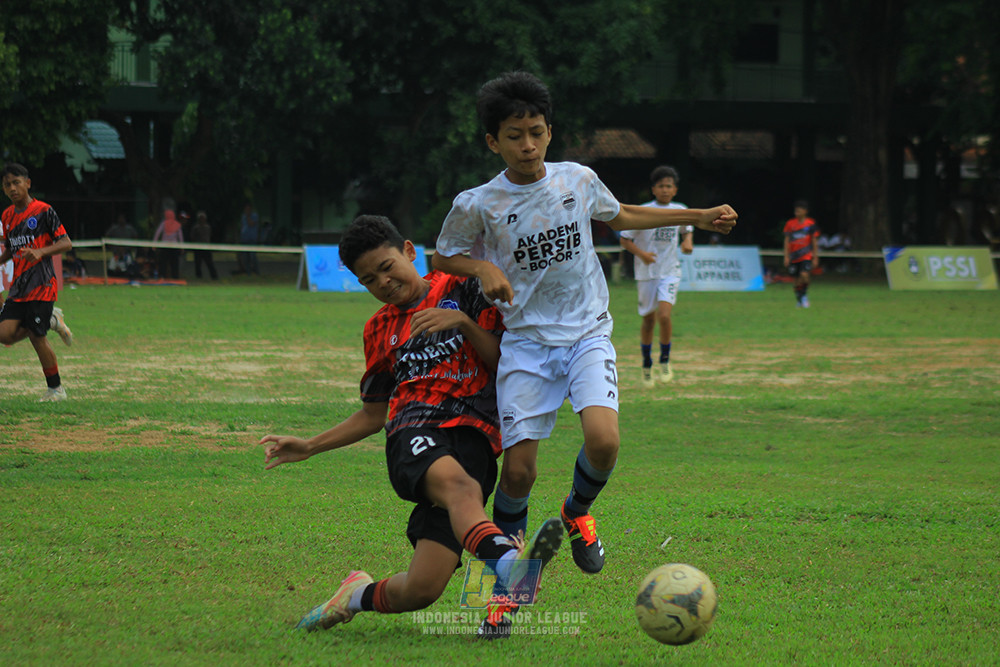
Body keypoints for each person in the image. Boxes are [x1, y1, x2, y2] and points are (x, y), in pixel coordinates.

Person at [432, 71, 736, 590]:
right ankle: (503, 592)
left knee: (604, 441)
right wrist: (483, 269)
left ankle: (577, 512)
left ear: (550, 132)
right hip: (525, 343)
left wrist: (699, 216)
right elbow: (444, 254)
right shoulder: (478, 203)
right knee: (519, 474)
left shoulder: (577, 178)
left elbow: (623, 216)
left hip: (587, 332)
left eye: (536, 132)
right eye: (514, 135)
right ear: (492, 141)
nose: (527, 145)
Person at [259, 215, 562, 638]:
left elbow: (502, 364)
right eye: (368, 280)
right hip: (413, 432)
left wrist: (463, 323)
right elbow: (371, 414)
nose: (382, 282)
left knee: (421, 589)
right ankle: (509, 566)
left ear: (408, 251)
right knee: (462, 490)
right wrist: (310, 446)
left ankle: (354, 595)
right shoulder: (379, 329)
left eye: (386, 267)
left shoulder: (461, 288)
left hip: (475, 438)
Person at [0, 163, 75, 401]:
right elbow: (12, 249)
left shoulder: (43, 211)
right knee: (4, 334)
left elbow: (66, 243)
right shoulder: (7, 216)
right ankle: (51, 319)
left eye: (16, 182)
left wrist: (41, 252)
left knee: (36, 336)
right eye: (7, 185)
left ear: (28, 183)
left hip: (42, 285)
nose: (12, 188)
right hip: (18, 287)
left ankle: (56, 389)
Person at [619, 165, 694, 387]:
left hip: (670, 271)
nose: (664, 189)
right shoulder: (643, 211)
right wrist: (642, 255)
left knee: (664, 315)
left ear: (675, 190)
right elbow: (625, 239)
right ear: (653, 189)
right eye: (660, 186)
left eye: (668, 186)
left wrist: (688, 241)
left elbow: (687, 229)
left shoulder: (680, 209)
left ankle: (665, 360)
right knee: (649, 320)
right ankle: (646, 364)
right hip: (646, 273)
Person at [783, 199, 820, 308]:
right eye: (796, 211)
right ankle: (799, 298)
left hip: (806, 255)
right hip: (794, 256)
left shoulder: (810, 224)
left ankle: (804, 296)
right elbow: (786, 240)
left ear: (805, 211)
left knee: (804, 275)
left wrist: (815, 257)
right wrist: (786, 256)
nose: (797, 213)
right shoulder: (790, 224)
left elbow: (814, 240)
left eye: (799, 211)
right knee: (796, 280)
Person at [152, 207, 183, 279]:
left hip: (164, 246)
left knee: (163, 263)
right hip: (174, 247)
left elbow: (157, 233)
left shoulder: (163, 224)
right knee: (174, 264)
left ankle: (162, 277)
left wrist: (154, 244)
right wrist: (182, 247)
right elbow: (180, 237)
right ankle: (175, 277)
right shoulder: (177, 224)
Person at [190, 210, 218, 280]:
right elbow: (192, 237)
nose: (202, 219)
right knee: (197, 264)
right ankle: (198, 277)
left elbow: (210, 236)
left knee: (210, 263)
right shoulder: (195, 227)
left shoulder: (208, 227)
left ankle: (214, 277)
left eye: (203, 218)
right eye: (200, 218)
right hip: (198, 247)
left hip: (206, 247)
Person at [237, 203, 260, 275]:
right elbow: (242, 226)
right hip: (244, 239)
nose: (247, 210)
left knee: (252, 256)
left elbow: (251, 224)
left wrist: (248, 216)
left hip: (252, 239)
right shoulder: (243, 216)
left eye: (248, 209)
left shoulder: (255, 216)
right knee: (245, 257)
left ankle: (256, 272)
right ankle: (248, 273)